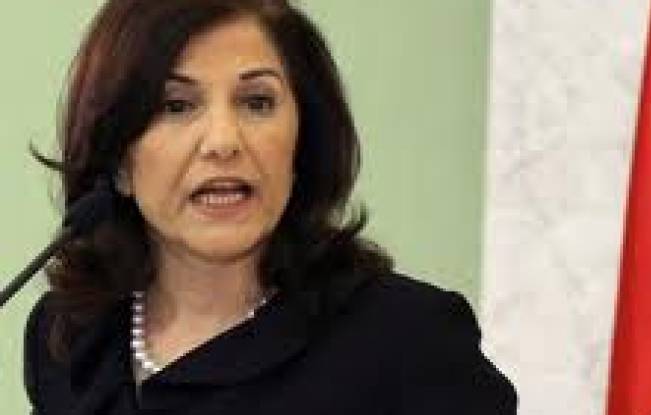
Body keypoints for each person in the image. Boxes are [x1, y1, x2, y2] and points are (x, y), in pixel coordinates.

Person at [23, 0, 517, 413]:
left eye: (257, 102)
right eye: (176, 106)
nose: (223, 141)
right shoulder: (69, 337)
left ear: (302, 140)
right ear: (118, 159)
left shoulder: (408, 341)